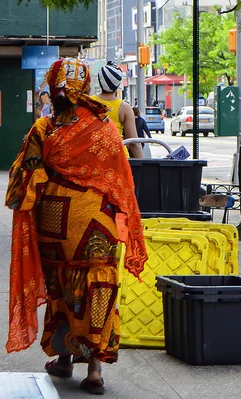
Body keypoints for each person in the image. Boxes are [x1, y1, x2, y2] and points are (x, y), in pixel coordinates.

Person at [5, 58, 148, 395]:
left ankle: (66, 359)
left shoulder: (45, 127)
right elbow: (120, 182)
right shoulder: (104, 128)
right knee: (98, 286)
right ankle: (95, 371)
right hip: (96, 223)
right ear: (85, 88)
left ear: (53, 90)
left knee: (60, 288)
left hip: (54, 222)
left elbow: (24, 180)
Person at [91, 62, 143, 158]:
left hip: (93, 158)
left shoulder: (89, 103)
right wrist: (145, 166)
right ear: (118, 84)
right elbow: (133, 142)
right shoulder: (124, 108)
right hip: (118, 158)